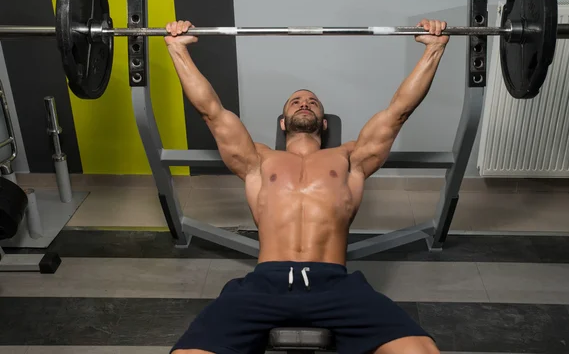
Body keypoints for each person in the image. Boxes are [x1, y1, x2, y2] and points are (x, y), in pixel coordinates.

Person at [165, 18, 448, 354]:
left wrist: (434, 47)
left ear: (323, 123)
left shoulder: (349, 159)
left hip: (334, 285)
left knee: (421, 352)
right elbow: (211, 111)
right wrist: (177, 48)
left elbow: (398, 111)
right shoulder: (258, 160)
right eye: (296, 100)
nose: (304, 102)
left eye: (312, 101)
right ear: (283, 122)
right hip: (264, 284)